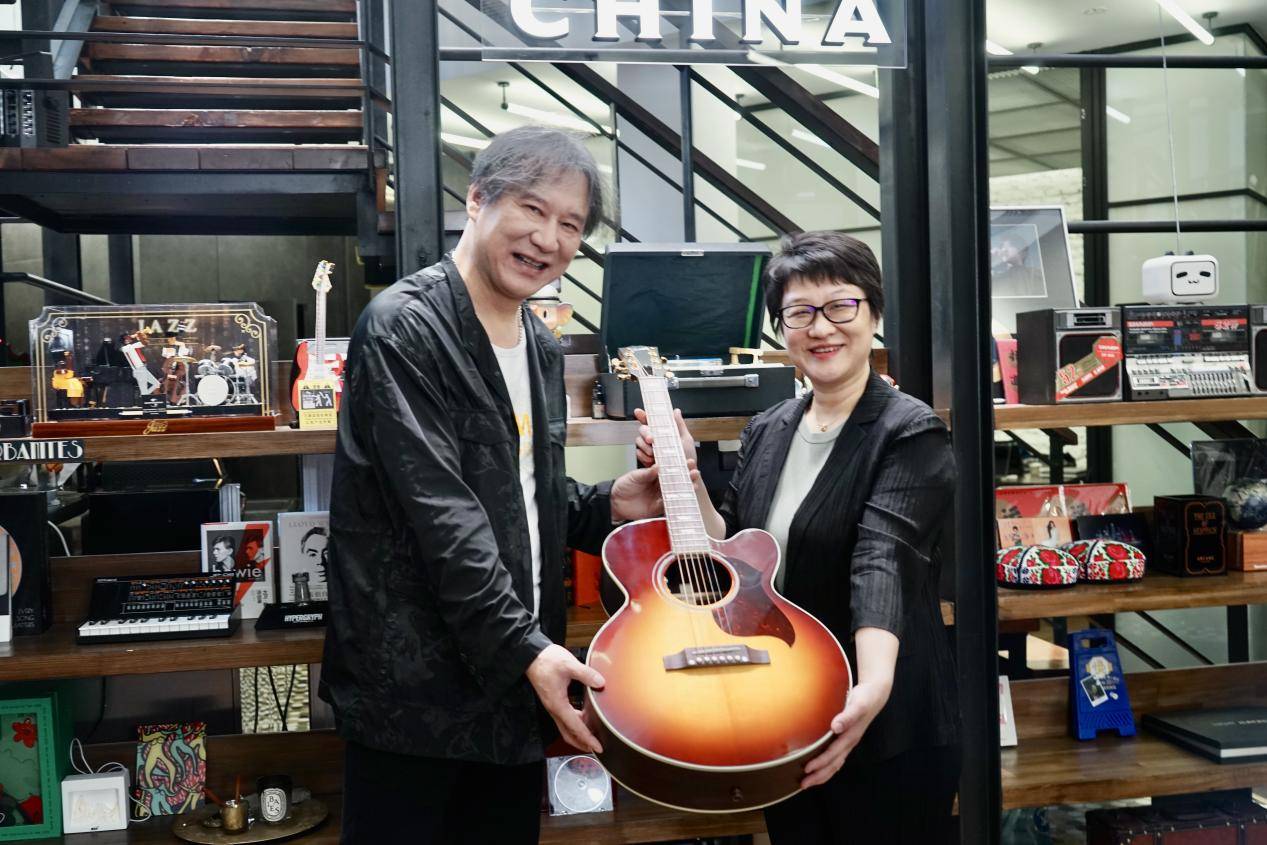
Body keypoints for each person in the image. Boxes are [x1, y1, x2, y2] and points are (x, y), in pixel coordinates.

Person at [319, 126, 665, 844]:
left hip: (510, 684)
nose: (548, 238)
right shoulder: (404, 328)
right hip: (413, 695)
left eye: (570, 224)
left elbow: (519, 494)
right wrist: (529, 650)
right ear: (477, 200)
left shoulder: (538, 343)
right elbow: (442, 521)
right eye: (532, 209)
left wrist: (610, 504)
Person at [635, 231, 961, 843]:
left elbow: (882, 559)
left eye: (841, 306)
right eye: (800, 313)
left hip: (887, 718)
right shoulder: (770, 427)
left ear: (873, 314)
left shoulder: (911, 432)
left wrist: (872, 687)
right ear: (781, 329)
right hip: (787, 701)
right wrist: (687, 475)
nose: (821, 328)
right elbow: (735, 549)